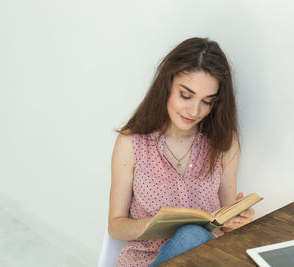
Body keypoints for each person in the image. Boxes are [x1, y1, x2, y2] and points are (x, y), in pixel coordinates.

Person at [108, 37, 255, 267]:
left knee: (197, 238)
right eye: (186, 95)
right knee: (190, 235)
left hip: (204, 259)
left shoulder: (224, 143)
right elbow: (116, 226)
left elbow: (226, 222)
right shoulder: (131, 144)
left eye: (207, 101)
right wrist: (156, 225)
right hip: (148, 261)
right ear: (166, 85)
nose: (195, 110)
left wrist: (236, 220)